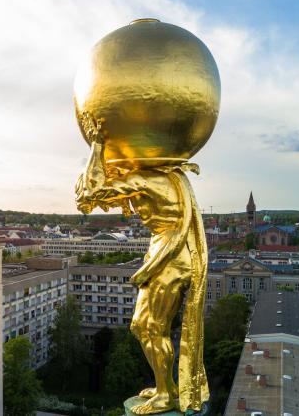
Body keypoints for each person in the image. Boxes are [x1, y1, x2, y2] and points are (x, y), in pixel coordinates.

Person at [75, 121, 209, 415]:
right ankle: (166, 386)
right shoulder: (164, 178)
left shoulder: (144, 179)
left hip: (172, 257)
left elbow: (91, 191)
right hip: (169, 252)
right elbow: (90, 197)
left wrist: (97, 145)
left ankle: (165, 395)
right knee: (141, 326)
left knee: (153, 327)